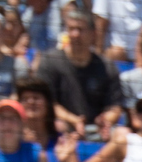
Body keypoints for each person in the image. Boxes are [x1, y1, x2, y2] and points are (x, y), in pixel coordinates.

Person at [37, 2, 122, 135]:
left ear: (93, 34)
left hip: (97, 131)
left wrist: (105, 119)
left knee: (122, 133)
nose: (75, 34)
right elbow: (46, 102)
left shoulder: (107, 67)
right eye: (71, 29)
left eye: (80, 29)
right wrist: (72, 120)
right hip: (61, 127)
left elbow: (115, 107)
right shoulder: (50, 61)